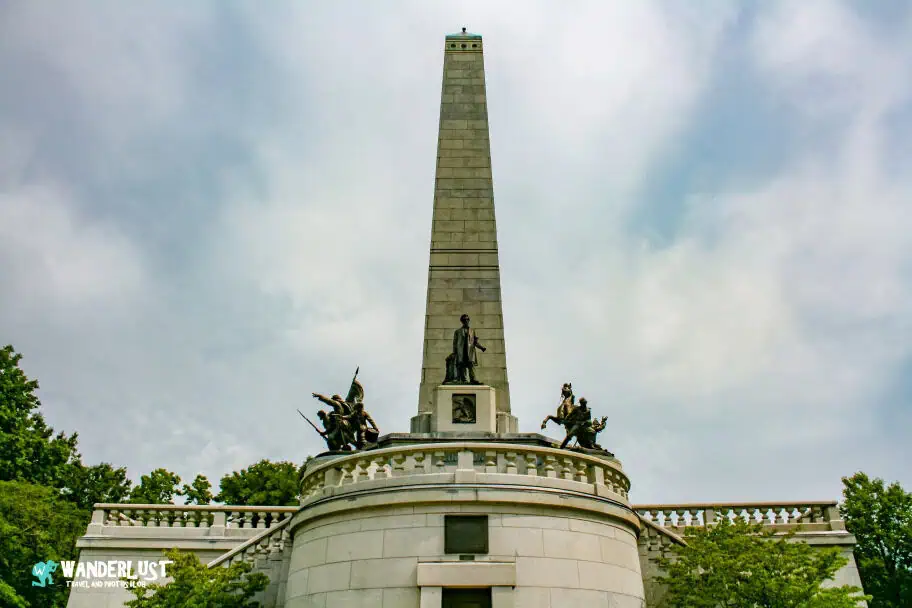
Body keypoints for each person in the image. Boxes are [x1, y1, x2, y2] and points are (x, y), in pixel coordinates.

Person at [451, 313, 486, 384]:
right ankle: (464, 380)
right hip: (461, 351)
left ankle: (473, 379)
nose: (465, 321)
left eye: (467, 319)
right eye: (464, 320)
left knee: (471, 365)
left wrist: (481, 347)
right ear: (461, 321)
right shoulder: (457, 332)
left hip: (470, 351)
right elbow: (454, 343)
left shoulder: (472, 331)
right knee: (462, 365)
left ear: (469, 320)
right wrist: (455, 352)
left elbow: (475, 342)